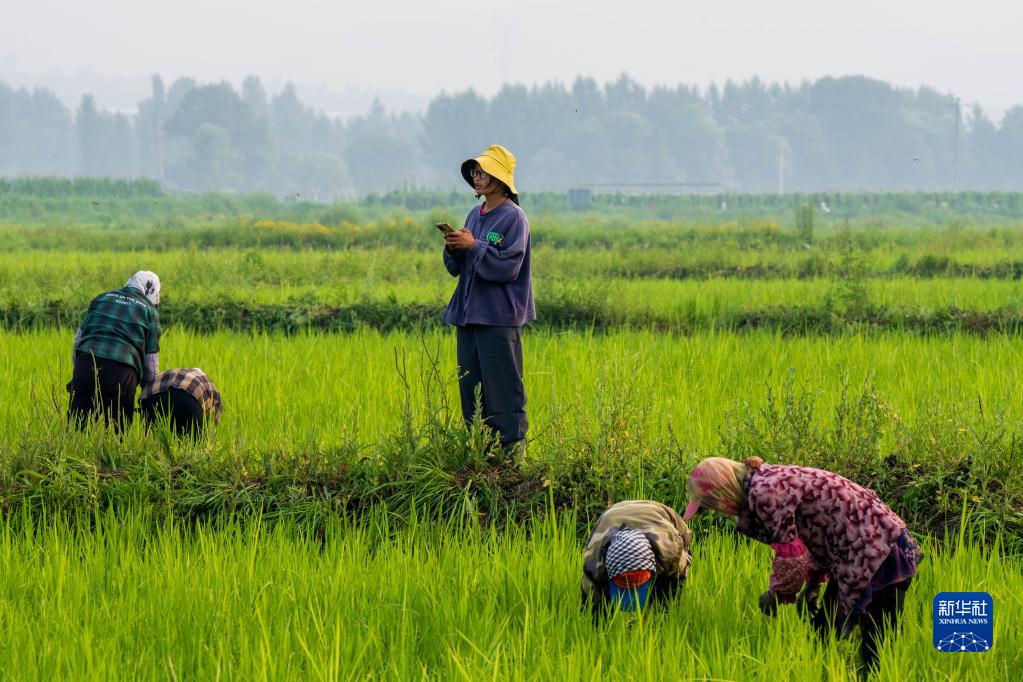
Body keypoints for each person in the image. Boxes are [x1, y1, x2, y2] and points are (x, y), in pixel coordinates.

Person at [682, 457, 923, 671]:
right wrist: (813, 583)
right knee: (824, 632)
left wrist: (776, 595)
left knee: (877, 647)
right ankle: (827, 672)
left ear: (723, 494)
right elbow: (818, 529)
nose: (717, 511)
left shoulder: (764, 495)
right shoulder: (767, 479)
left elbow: (791, 555)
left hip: (879, 551)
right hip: (864, 549)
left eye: (713, 505)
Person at [442, 145, 535, 461]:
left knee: (503, 389)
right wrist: (456, 248)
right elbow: (458, 268)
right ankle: (479, 456)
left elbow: (508, 266)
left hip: (498, 318)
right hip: (469, 317)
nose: (478, 178)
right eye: (476, 173)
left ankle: (512, 460)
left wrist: (474, 245)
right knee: (471, 389)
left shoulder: (514, 217)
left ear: (501, 178)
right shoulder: (473, 214)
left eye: (484, 172)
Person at [67, 271, 162, 430]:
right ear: (151, 292)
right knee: (118, 430)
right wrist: (148, 393)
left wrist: (79, 373)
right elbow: (150, 364)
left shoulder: (101, 298)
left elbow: (78, 341)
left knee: (77, 428)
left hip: (85, 363)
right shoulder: (150, 311)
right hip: (121, 372)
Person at [581, 500, 693, 614]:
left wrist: (666, 609)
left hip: (662, 519)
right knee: (601, 604)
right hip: (612, 517)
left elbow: (677, 583)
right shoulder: (594, 559)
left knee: (664, 601)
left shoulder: (671, 550)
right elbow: (590, 603)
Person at [139, 368, 222, 437]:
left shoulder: (170, 373)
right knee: (196, 446)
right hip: (188, 399)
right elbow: (212, 423)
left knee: (155, 444)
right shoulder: (209, 385)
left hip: (155, 396)